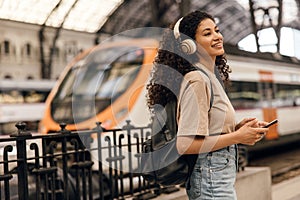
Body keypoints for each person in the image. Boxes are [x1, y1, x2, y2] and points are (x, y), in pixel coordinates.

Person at [146, 10, 269, 199]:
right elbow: (186, 144)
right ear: (188, 45)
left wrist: (238, 128)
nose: (217, 36)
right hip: (210, 181)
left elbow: (208, 128)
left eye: (217, 30)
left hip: (216, 178)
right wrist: (237, 137)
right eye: (207, 33)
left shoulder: (211, 78)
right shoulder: (197, 79)